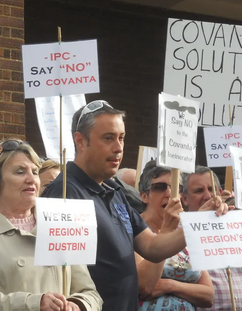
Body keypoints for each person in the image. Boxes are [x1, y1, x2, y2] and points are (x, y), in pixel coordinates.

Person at [42, 100, 228, 311]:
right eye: (108, 138)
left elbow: (152, 247)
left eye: (121, 138)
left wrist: (201, 220)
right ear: (81, 141)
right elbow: (56, 273)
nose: (119, 147)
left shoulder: (114, 190)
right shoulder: (65, 192)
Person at [0, 140, 103, 311]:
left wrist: (77, 305)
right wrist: (34, 304)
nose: (31, 179)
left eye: (35, 172)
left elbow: (90, 293)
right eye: (20, 172)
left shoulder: (61, 225)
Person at [181, 165, 242, 310]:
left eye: (211, 189)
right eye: (199, 191)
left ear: (220, 192)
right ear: (185, 198)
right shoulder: (180, 234)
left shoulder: (236, 225)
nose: (208, 196)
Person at [136, 161, 213, 310]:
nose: (169, 194)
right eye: (159, 187)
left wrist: (170, 285)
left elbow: (208, 295)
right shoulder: (134, 230)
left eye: (176, 188)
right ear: (144, 196)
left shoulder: (184, 232)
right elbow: (144, 285)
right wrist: (166, 231)